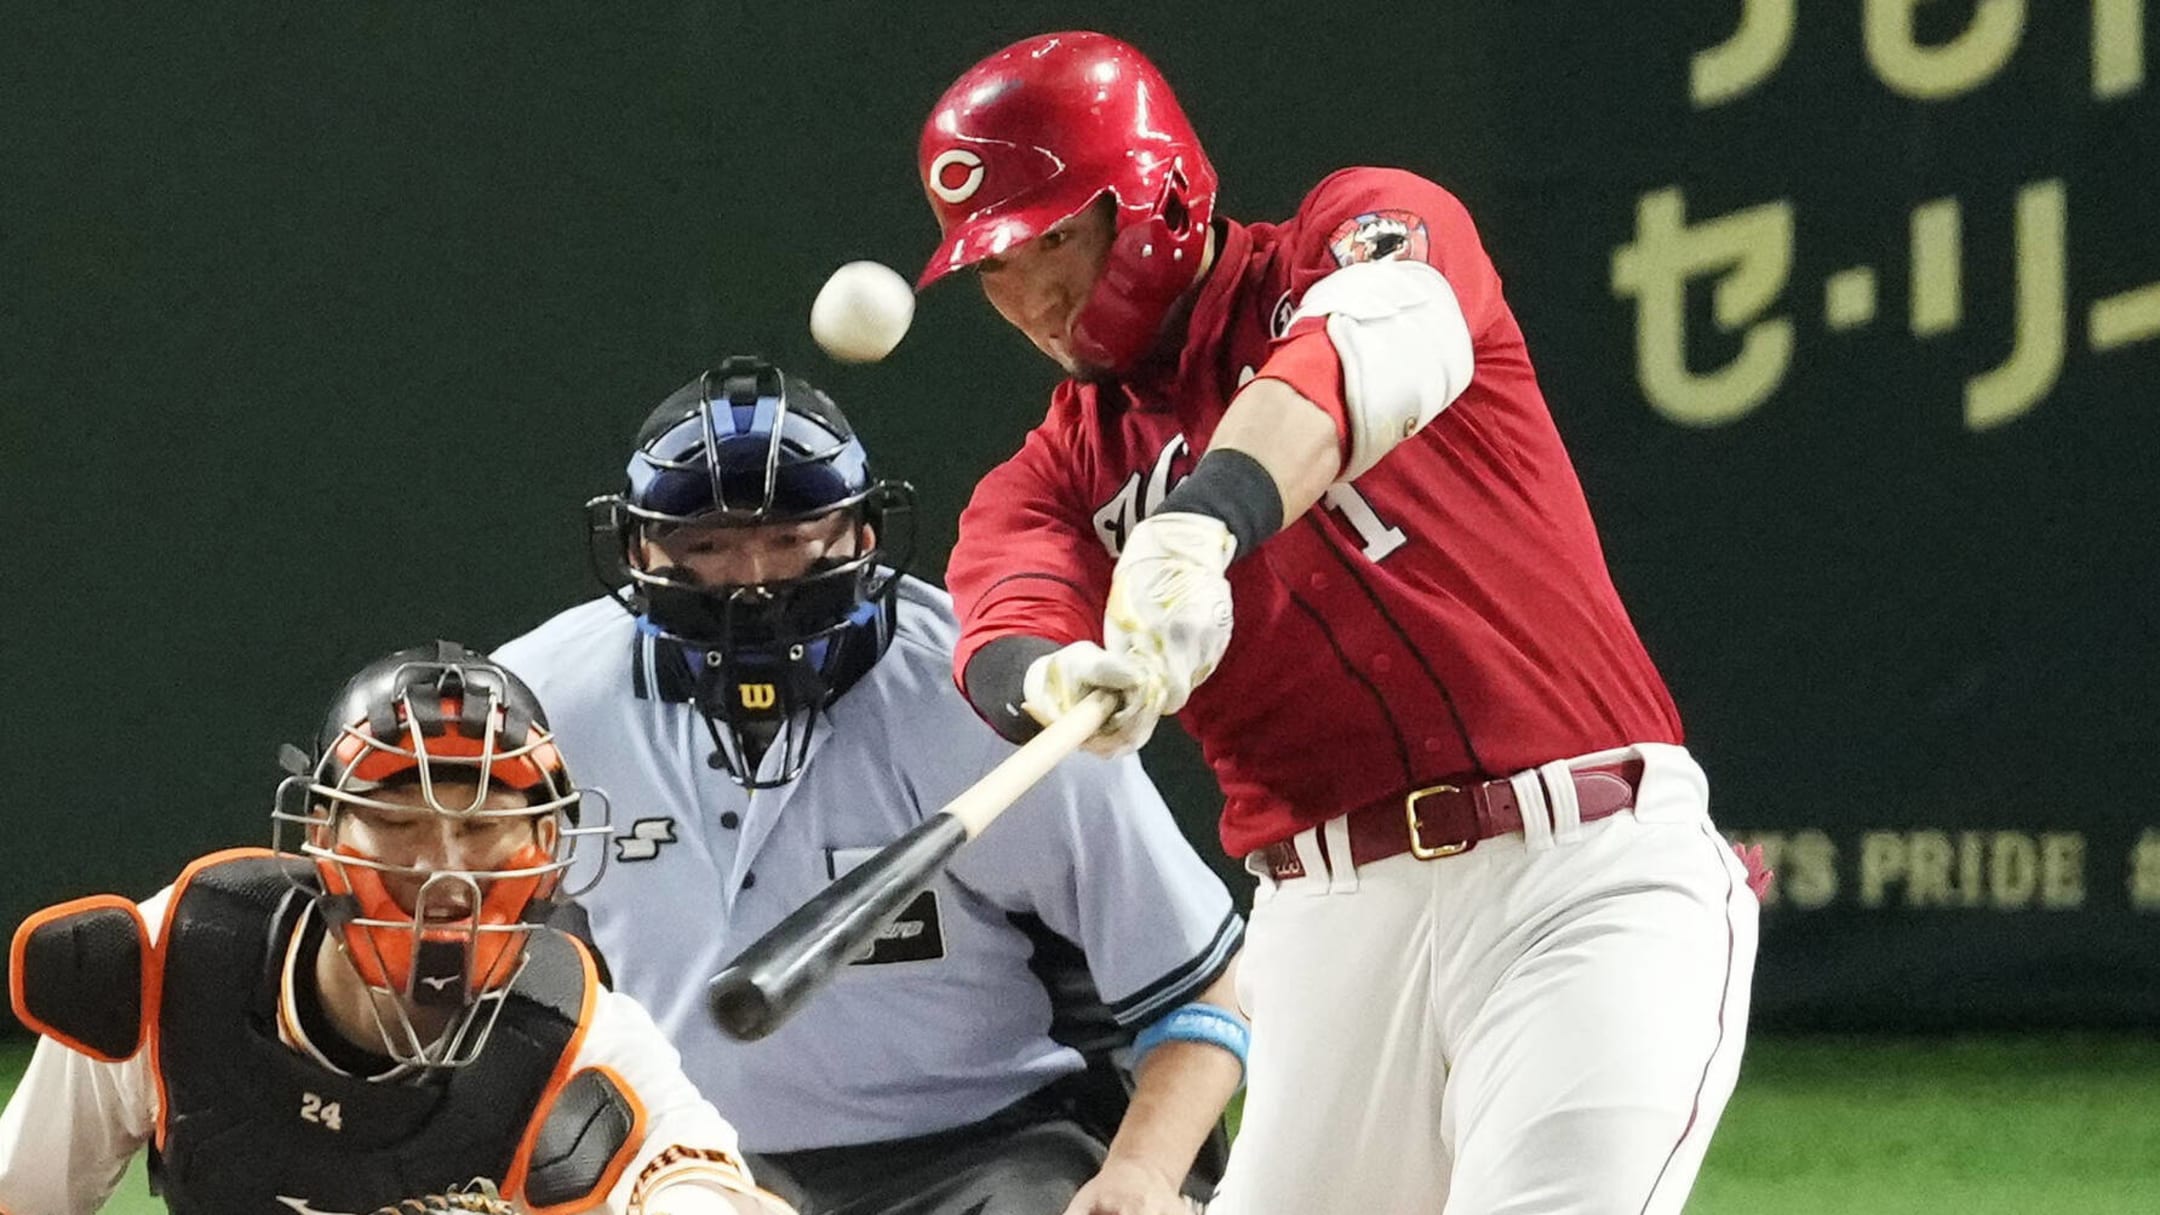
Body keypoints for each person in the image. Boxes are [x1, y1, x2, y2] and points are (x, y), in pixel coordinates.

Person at [913, 31, 1768, 1215]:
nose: (1033, 293)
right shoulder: (1047, 480)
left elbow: (1373, 342)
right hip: (1327, 924)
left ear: (1154, 188)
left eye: (1056, 235)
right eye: (996, 263)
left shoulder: (1355, 231)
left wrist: (1199, 527)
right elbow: (1004, 622)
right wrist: (1066, 682)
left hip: (1583, 868)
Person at [493, 357, 1245, 1215]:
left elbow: (1197, 989)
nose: (755, 580)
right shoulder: (543, 705)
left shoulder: (995, 703)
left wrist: (1142, 1174)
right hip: (686, 1161)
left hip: (991, 1150)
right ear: (639, 548)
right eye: (707, 544)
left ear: (861, 533)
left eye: (792, 538)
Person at [0, 642, 792, 1215]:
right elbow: (20, 1193)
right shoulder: (175, 955)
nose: (444, 867)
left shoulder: (574, 1030)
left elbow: (701, 1177)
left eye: (483, 824)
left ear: (547, 847)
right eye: (399, 821)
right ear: (324, 834)